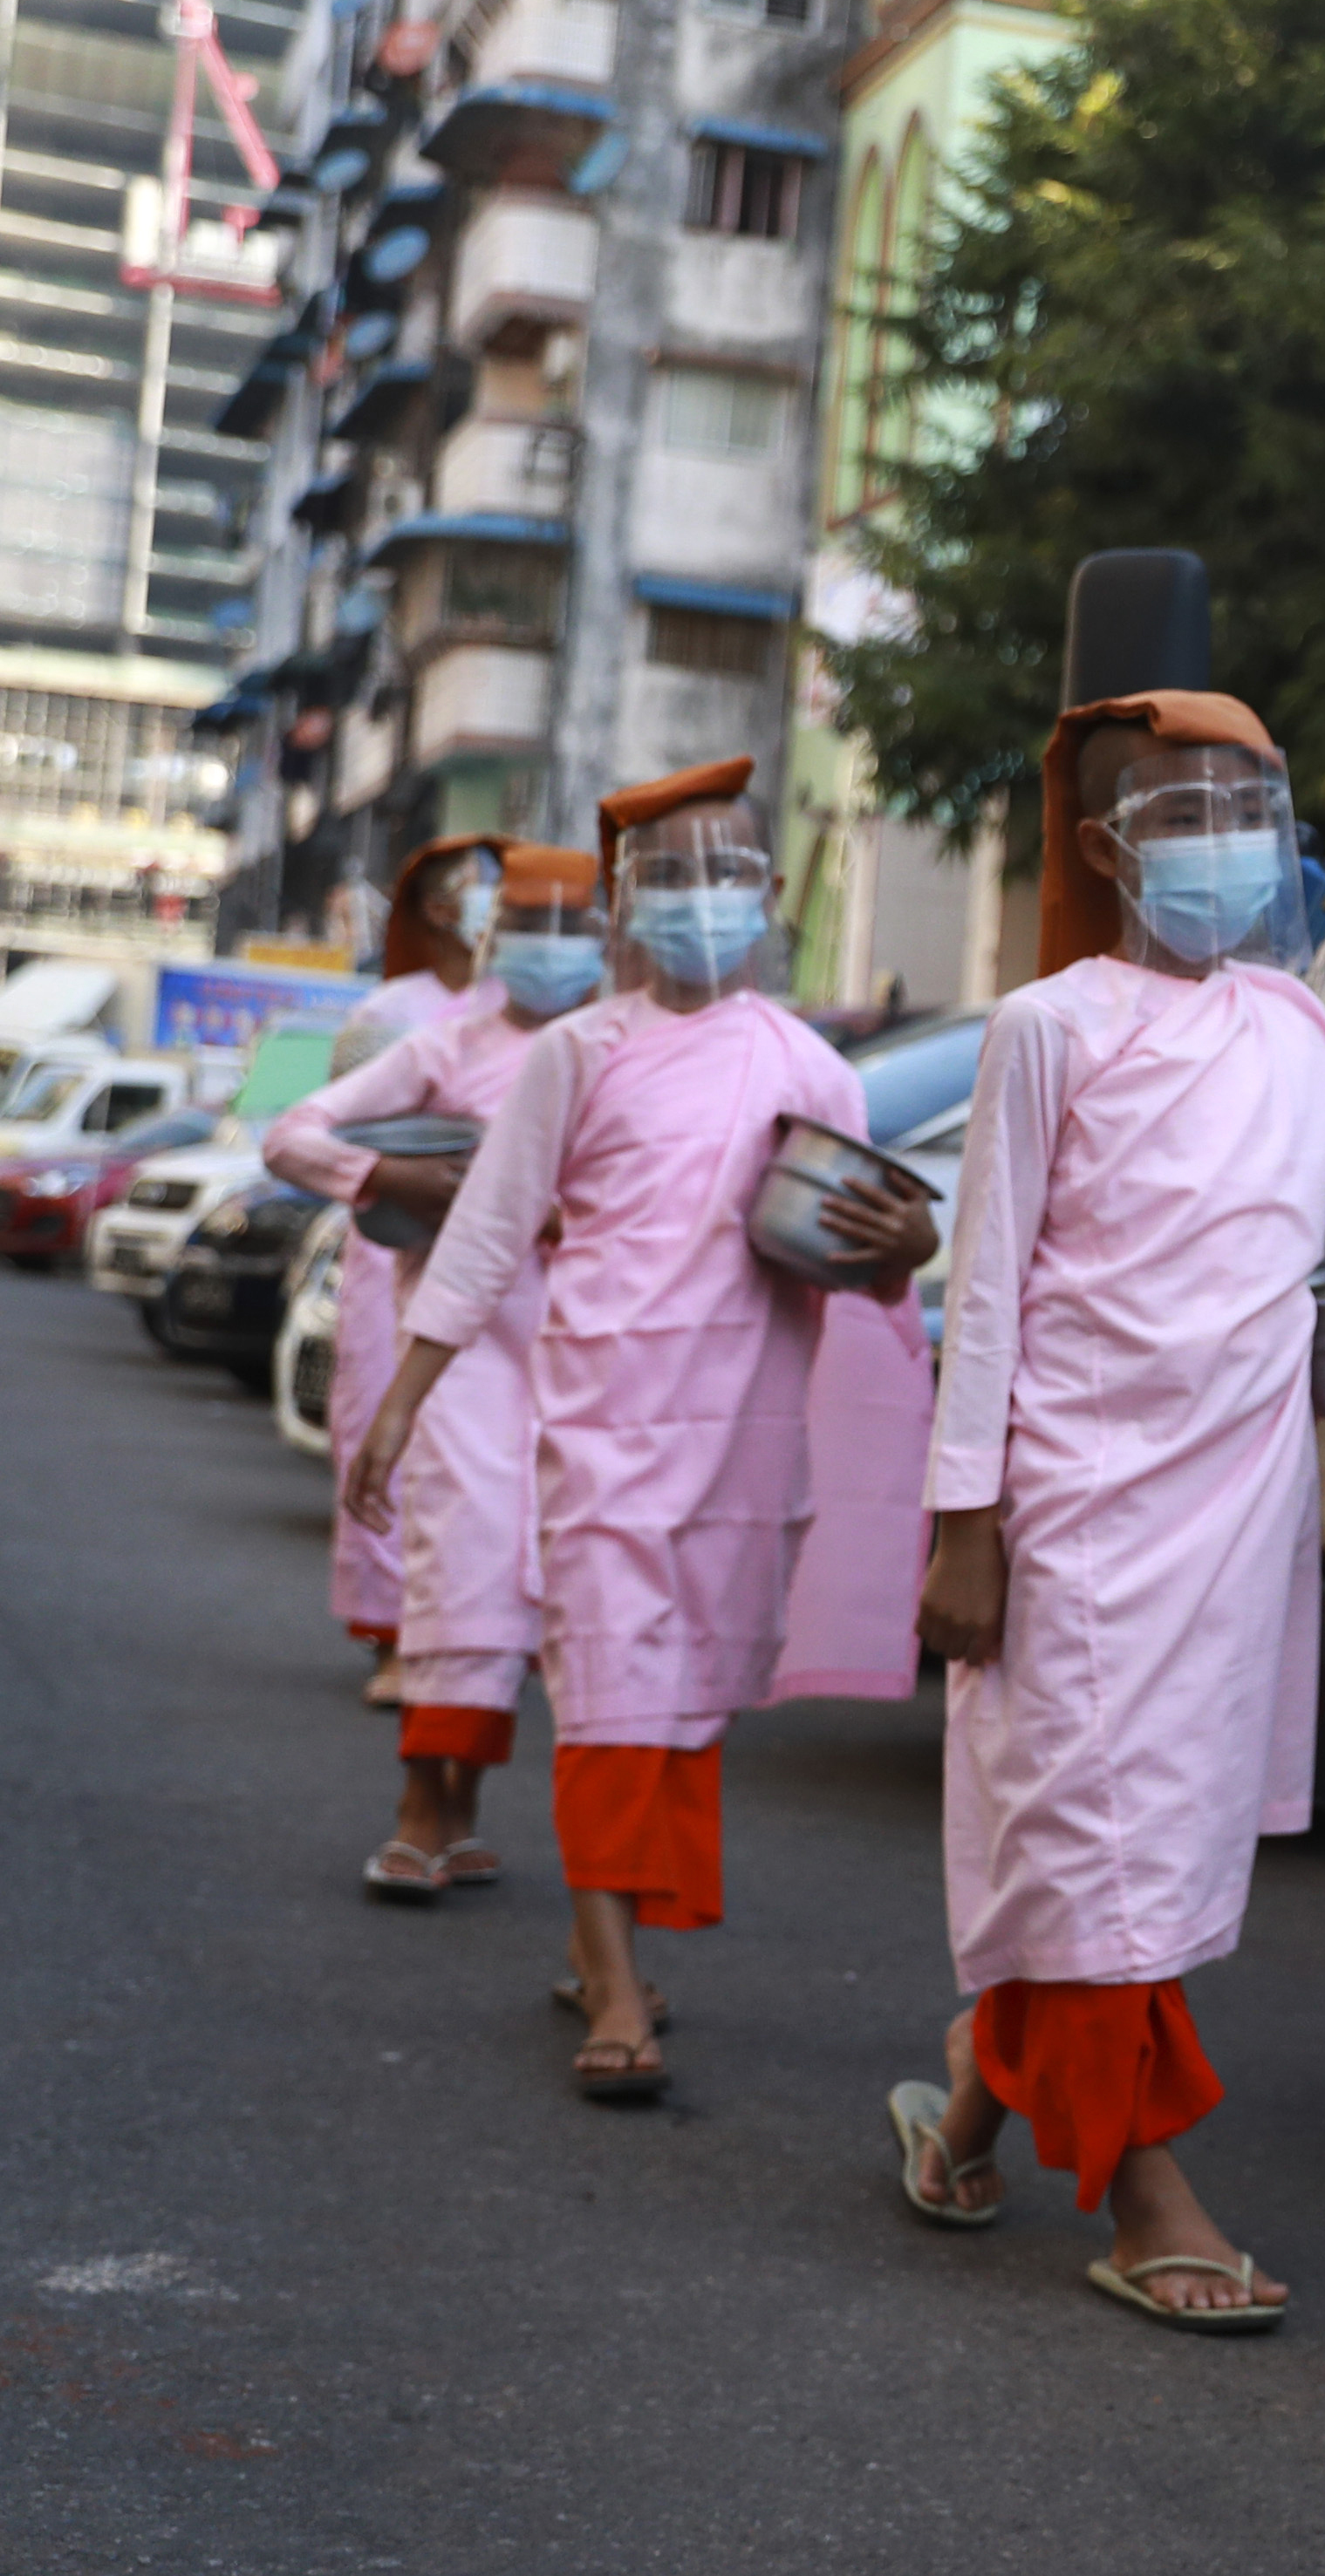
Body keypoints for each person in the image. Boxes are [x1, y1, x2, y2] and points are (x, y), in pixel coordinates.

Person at [881, 687, 1325, 2327]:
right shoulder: (1050, 1027)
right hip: (1077, 1515)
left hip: (1238, 1522)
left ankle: (968, 2117)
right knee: (1096, 1844)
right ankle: (1144, 2196)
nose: (1228, 844)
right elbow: (987, 1289)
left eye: (1251, 811)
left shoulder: (1293, 1025)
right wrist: (965, 1525)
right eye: (1188, 814)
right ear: (1107, 848)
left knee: (1128, 1841)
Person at [350, 759, 937, 2099]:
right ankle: (617, 1990)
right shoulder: (577, 1053)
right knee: (610, 1690)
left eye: (723, 870)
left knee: (684, 1703)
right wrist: (400, 1405)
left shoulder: (807, 1065)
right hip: (603, 1429)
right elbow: (488, 1231)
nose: (697, 896)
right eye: (667, 875)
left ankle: (596, 1936)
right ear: (623, 902)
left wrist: (906, 1251)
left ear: (769, 891)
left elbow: (854, 1253)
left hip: (747, 1444)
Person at [270, 845, 609, 1898]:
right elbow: (292, 1135)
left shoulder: (622, 1053)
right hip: (457, 1353)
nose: (550, 949)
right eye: (529, 925)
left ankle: (464, 1806)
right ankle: (422, 1805)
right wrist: (391, 1172)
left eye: (572, 927)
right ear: (492, 936)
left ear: (607, 940)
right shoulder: (443, 1043)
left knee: (544, 1589)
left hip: (596, 1359)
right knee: (462, 1566)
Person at [324, 836, 508, 1707]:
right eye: (483, 888)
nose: (499, 902)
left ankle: (486, 1624)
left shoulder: (532, 1018)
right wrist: (402, 1177)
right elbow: (336, 1131)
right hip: (395, 1248)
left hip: (506, 1261)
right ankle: (395, 1635)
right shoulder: (388, 1014)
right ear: (439, 909)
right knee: (385, 1425)